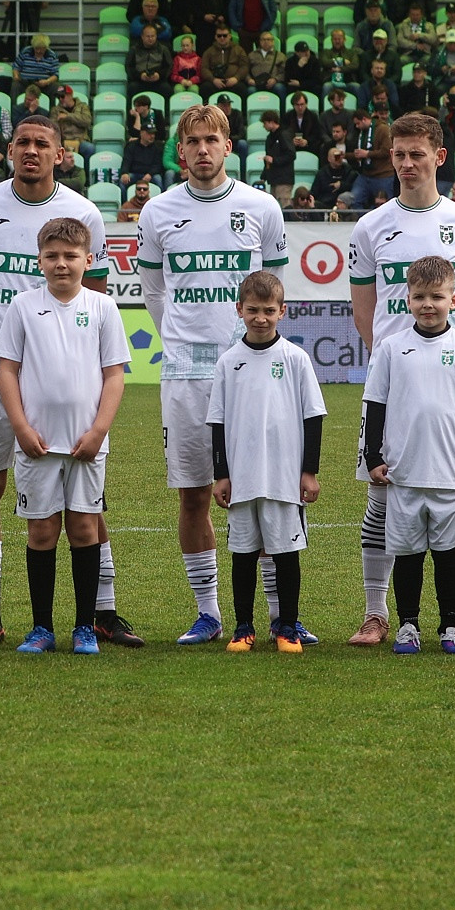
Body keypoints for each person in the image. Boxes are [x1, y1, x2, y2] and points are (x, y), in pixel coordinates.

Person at [0, 115, 131, 648]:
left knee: (88, 498)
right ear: (9, 150)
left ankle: (102, 611)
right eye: (23, 143)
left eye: (42, 144)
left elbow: (97, 298)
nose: (31, 151)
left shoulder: (84, 212)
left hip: (67, 379)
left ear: (60, 153)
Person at [137, 104, 291, 647]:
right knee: (193, 493)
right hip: (184, 371)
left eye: (212, 140)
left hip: (253, 367)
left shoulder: (261, 207)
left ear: (229, 147)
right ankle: (209, 613)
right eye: (193, 141)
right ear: (180, 150)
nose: (203, 150)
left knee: (267, 491)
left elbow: (272, 288)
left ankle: (278, 616)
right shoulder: (157, 212)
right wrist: (181, 337)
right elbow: (155, 293)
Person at [344, 111, 455, 646]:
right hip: (392, 383)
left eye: (416, 154)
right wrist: (396, 361)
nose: (407, 164)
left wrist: (445, 358)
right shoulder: (371, 225)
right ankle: (377, 612)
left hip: (451, 385)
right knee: (380, 498)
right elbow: (365, 312)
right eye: (398, 155)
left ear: (439, 157)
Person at [0, 216, 128, 658]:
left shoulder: (103, 308)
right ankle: (41, 627)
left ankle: (85, 626)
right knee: (42, 533)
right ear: (39, 260)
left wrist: (99, 430)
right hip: (38, 445)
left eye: (70, 256)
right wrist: (21, 428)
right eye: (52, 256)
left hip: (86, 443)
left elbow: (114, 375)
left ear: (88, 259)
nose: (61, 264)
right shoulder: (23, 306)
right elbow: (7, 370)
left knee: (84, 529)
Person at [360, 254, 455, 655]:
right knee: (409, 554)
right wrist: (372, 458)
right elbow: (375, 404)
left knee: (450, 554)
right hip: (404, 472)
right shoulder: (390, 348)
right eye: (420, 297)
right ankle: (408, 625)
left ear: (454, 300)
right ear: (407, 299)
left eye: (437, 296)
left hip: (451, 474)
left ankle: (451, 625)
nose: (428, 305)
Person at [201, 270, 324, 654]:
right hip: (242, 478)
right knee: (243, 554)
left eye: (268, 310)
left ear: (282, 311)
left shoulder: (296, 358)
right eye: (252, 309)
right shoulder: (228, 361)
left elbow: (313, 417)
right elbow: (217, 421)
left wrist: (309, 471)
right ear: (239, 309)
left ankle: (286, 627)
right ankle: (243, 626)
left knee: (285, 555)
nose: (260, 317)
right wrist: (221, 475)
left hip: (284, 478)